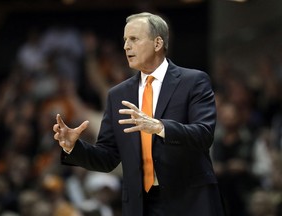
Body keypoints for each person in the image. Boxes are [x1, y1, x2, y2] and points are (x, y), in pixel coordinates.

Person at [53, 12, 226, 216]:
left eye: (134, 39)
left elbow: (204, 134)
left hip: (190, 201)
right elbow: (108, 157)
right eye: (125, 40)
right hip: (142, 205)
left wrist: (160, 127)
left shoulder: (193, 81)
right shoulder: (118, 94)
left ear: (158, 43)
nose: (126, 46)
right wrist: (74, 147)